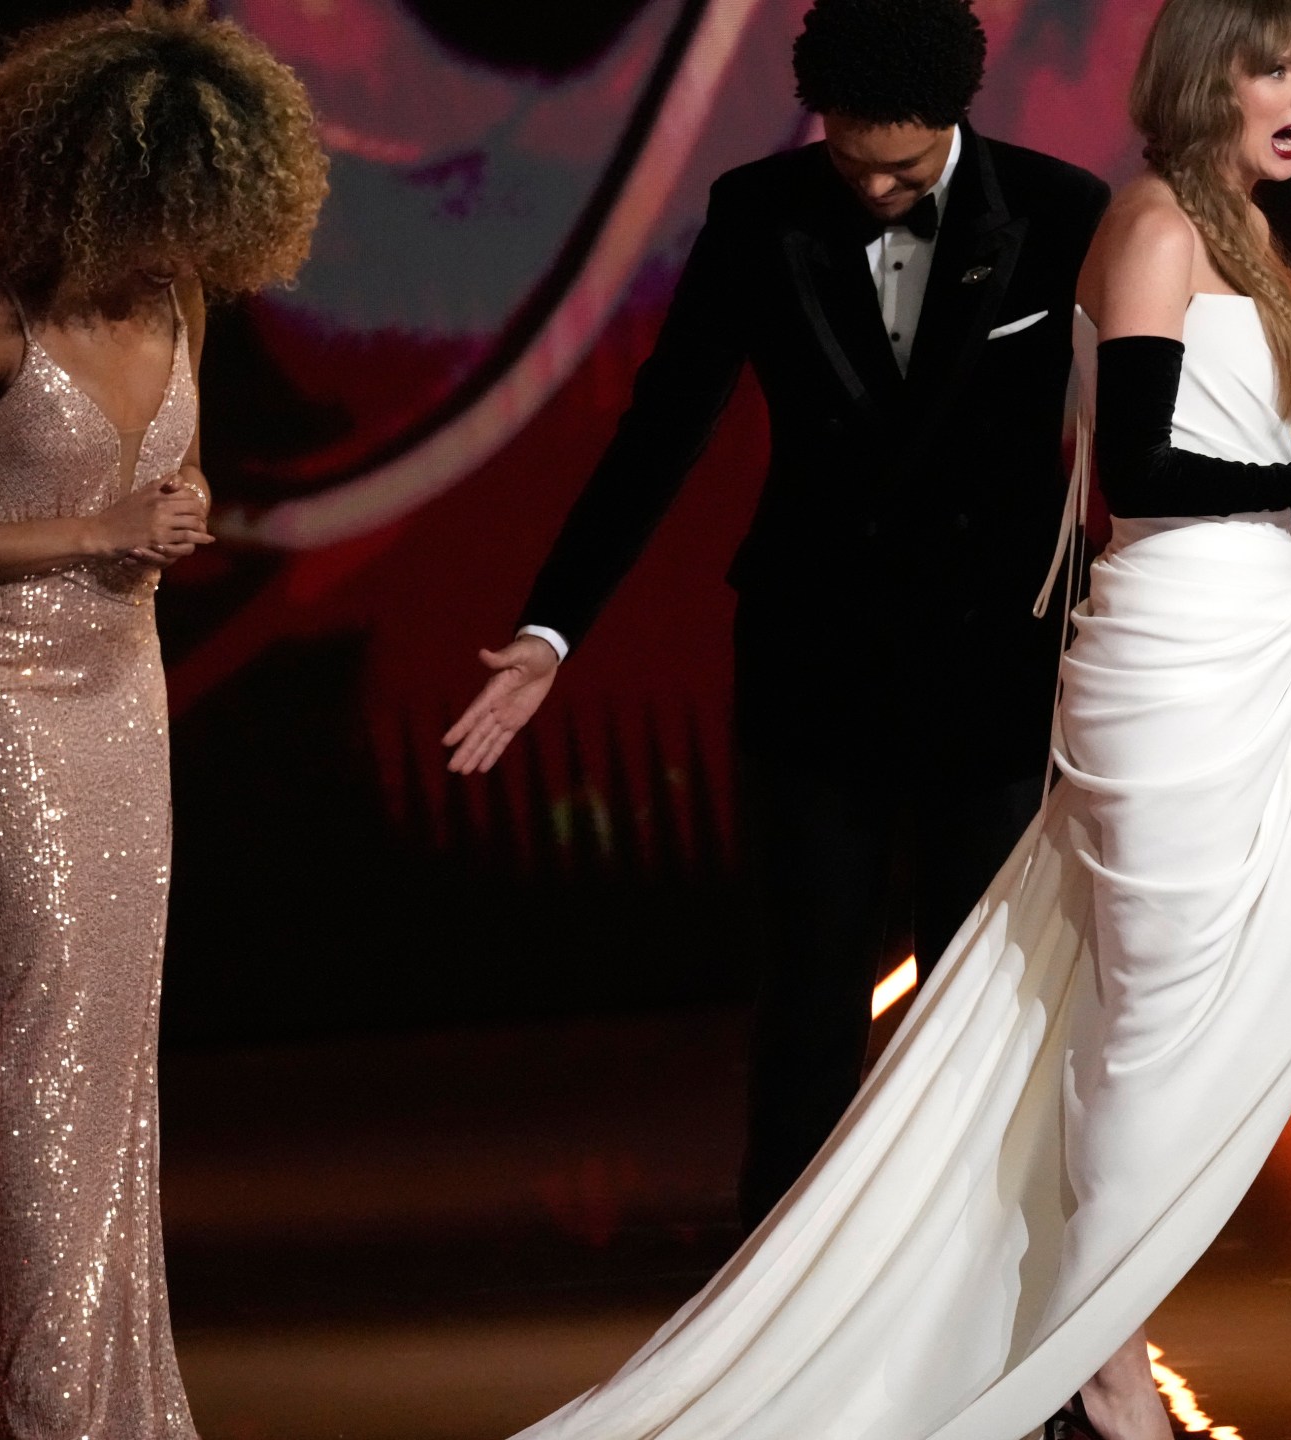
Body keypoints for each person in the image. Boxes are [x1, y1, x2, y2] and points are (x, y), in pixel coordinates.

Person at [501, 1, 1291, 1438]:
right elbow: (1125, 469)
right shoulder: (1051, 227)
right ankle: (1012, 1361)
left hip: (1141, 663)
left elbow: (1185, 448)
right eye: (1282, 67)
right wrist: (552, 625)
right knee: (940, 1026)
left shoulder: (1125, 219)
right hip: (971, 676)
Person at [443, 0, 1117, 1230]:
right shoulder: (759, 210)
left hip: (992, 681)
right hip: (816, 673)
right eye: (849, 156)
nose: (871, 185)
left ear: (957, 122)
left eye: (902, 167)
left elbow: (1142, 428)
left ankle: (1007, 1325)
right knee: (809, 1008)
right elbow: (661, 431)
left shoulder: (1063, 207)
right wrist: (552, 633)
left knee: (992, 1006)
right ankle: (773, 1335)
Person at [0, 7, 326, 1435]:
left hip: (120, 689)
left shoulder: (179, 304)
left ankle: (106, 1395)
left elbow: (154, 501)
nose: (174, 246)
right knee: (37, 1047)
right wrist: (94, 526)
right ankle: (50, 1405)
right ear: (86, 180)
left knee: (109, 1051)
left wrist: (171, 519)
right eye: (153, 210)